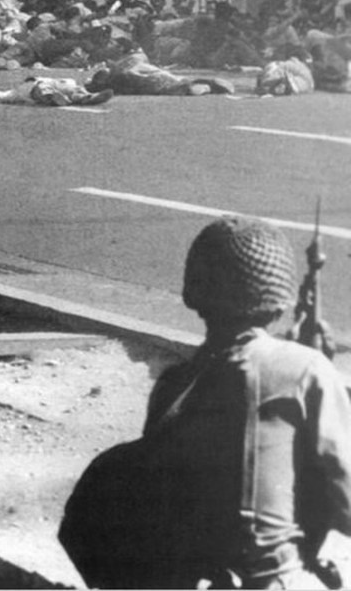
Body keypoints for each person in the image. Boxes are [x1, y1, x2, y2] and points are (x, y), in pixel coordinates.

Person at [140, 217, 351, 587]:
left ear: (196, 292)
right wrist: (318, 371)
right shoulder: (305, 370)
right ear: (278, 299)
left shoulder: (172, 384)